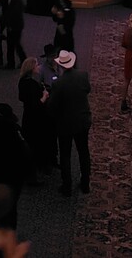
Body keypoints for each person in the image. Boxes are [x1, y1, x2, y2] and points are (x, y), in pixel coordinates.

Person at [48, 49, 92, 196]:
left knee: (65, 154)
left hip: (65, 124)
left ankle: (67, 186)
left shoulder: (58, 83)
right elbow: (87, 89)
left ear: (60, 65)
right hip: (82, 120)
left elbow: (52, 106)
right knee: (83, 152)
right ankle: (85, 183)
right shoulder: (83, 75)